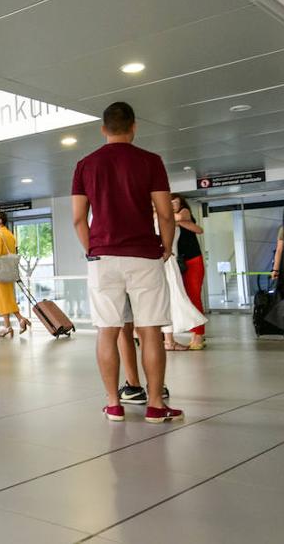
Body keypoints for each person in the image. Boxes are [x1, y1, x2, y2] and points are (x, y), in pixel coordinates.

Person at [71, 101, 183, 424]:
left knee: (107, 331)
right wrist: (166, 246)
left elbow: (79, 218)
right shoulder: (151, 162)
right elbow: (164, 212)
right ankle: (155, 405)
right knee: (150, 331)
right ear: (134, 126)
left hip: (102, 257)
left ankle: (114, 404)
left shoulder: (85, 165)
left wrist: (92, 248)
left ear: (103, 129)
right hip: (144, 256)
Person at [169, 194, 207, 351]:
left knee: (194, 296)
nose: (173, 205)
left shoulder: (184, 212)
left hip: (192, 261)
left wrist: (166, 216)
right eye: (170, 203)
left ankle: (198, 335)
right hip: (177, 262)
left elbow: (181, 217)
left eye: (176, 202)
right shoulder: (171, 219)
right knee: (180, 297)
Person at [0, 211, 30, 338]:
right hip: (9, 270)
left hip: (0, 270)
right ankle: (11, 324)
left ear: (0, 220)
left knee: (1, 298)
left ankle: (14, 323)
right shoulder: (10, 234)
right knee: (7, 297)